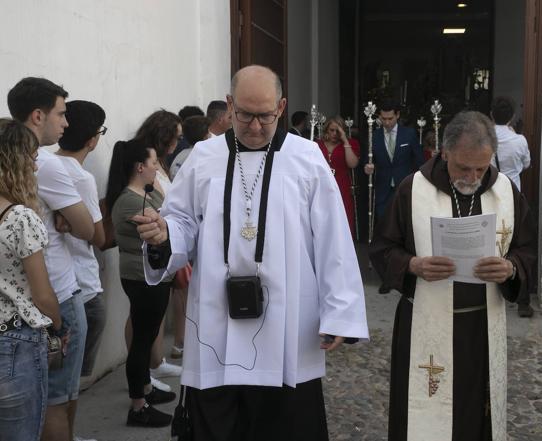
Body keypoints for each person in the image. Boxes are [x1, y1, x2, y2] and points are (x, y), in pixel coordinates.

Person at [134, 64, 369, 440]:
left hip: (289, 318)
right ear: (229, 106)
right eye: (245, 115)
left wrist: (340, 310)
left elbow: (333, 239)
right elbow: (181, 221)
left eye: (266, 115)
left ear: (282, 106)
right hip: (216, 316)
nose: (256, 126)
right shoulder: (204, 157)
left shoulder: (306, 158)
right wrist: (165, 235)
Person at [370, 111, 537, 441]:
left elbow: (527, 249)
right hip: (424, 322)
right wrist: (413, 265)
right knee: (424, 411)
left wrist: (511, 268)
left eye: (482, 167)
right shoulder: (412, 189)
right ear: (444, 153)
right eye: (464, 167)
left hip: (481, 328)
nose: (474, 176)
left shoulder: (505, 191)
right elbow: (381, 249)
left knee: (477, 412)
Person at [8, 77, 94, 441]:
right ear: (38, 115)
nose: (67, 123)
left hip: (19, 302)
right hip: (53, 294)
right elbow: (89, 229)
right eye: (61, 113)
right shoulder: (47, 164)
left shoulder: (10, 158)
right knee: (57, 398)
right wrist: (66, 221)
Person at [105, 139, 176, 427]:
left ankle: (146, 390)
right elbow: (166, 222)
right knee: (142, 342)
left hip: (152, 276)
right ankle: (138, 407)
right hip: (142, 277)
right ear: (139, 167)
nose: (157, 168)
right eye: (153, 162)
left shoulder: (143, 193)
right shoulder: (131, 201)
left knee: (146, 336)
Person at [0, 118, 63, 441]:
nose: (36, 168)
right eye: (33, 158)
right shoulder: (20, 217)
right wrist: (58, 325)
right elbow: (42, 294)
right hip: (14, 342)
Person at [56, 100, 107, 384]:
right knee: (69, 378)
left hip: (56, 283)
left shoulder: (42, 163)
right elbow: (98, 237)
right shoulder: (82, 178)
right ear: (92, 139)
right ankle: (66, 430)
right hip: (81, 285)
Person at [133, 109, 185, 376]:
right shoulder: (144, 156)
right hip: (150, 239)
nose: (176, 144)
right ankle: (144, 372)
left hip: (165, 236)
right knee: (142, 314)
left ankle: (154, 363)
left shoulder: (161, 161)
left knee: (156, 310)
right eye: (173, 138)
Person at [490, 97, 533, 317]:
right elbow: (527, 164)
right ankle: (523, 300)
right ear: (512, 117)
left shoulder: (485, 139)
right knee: (518, 245)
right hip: (513, 197)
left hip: (489, 196)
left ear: (490, 115)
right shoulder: (519, 140)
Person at [363, 100, 424, 219]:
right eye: (383, 119)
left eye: (390, 118)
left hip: (405, 187)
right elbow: (367, 160)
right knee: (383, 224)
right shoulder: (374, 136)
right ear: (379, 116)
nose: (387, 122)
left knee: (404, 224)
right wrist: (367, 168)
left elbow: (419, 161)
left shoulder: (409, 134)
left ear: (397, 115)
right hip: (382, 189)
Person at [316, 116, 360, 238]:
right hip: (321, 186)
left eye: (338, 131)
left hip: (342, 186)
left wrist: (345, 141)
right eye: (332, 130)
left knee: (343, 215)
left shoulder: (351, 143)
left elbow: (353, 164)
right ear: (326, 130)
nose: (335, 134)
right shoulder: (316, 145)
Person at [170, 115, 212, 180]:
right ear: (204, 136)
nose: (210, 135)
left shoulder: (181, 154)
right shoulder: (201, 157)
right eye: (209, 131)